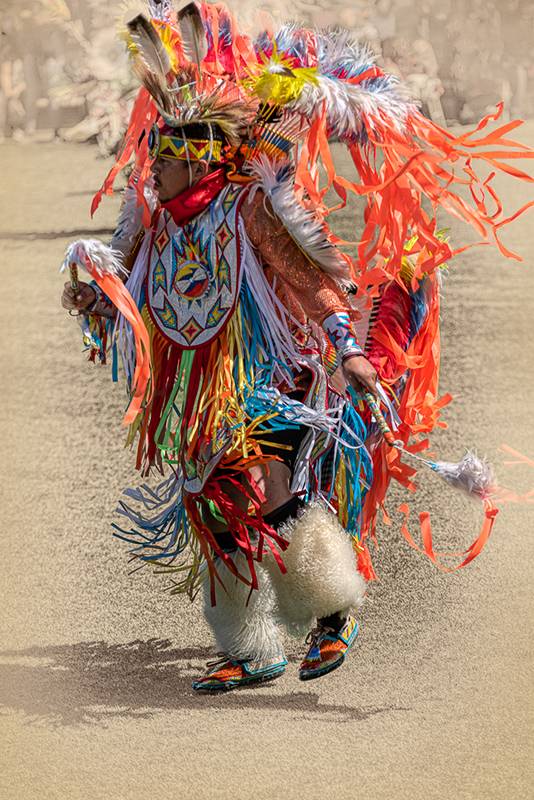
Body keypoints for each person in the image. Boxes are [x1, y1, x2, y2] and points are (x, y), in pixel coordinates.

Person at [61, 1, 533, 691]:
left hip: (272, 372)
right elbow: (138, 295)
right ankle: (253, 648)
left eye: (164, 155)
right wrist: (97, 302)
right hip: (203, 390)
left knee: (271, 483)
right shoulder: (157, 224)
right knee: (212, 503)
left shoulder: (249, 209)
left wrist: (348, 349)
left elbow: (310, 283)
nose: (150, 167)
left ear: (198, 154)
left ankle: (334, 609)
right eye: (153, 153)